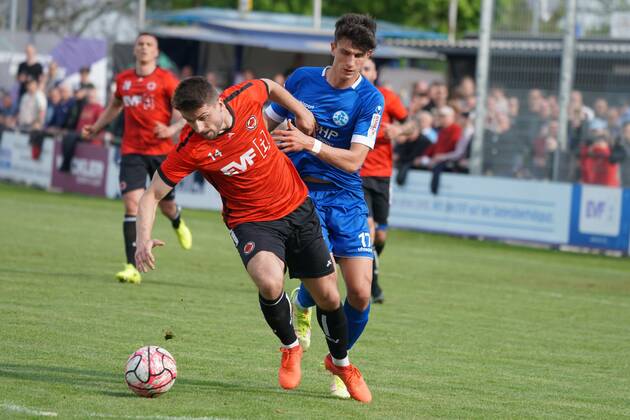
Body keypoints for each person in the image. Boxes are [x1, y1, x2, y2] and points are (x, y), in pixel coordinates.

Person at [135, 76, 372, 403]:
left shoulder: (243, 97)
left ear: (219, 103)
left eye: (203, 117)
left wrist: (301, 112)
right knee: (269, 281)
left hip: (297, 207)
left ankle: (341, 364)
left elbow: (268, 85)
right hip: (251, 222)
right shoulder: (191, 148)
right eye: (190, 121)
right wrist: (142, 239)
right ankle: (290, 347)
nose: (198, 127)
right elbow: (150, 196)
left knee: (330, 298)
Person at [265, 13, 384, 399]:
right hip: (299, 193)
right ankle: (335, 354)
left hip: (346, 198)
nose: (351, 63)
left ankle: (336, 356)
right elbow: (266, 125)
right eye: (346, 53)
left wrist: (309, 143)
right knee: (325, 283)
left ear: (368, 57)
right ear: (332, 48)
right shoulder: (301, 80)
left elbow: (353, 161)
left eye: (360, 56)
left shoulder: (370, 98)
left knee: (362, 293)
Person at [82, 33, 191, 284]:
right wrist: (96, 127)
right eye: (140, 44)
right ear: (134, 50)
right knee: (132, 204)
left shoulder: (166, 79)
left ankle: (176, 219)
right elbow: (114, 106)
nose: (144, 48)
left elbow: (185, 111)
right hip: (131, 150)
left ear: (156, 52)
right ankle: (131, 266)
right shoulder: (124, 80)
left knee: (165, 206)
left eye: (149, 45)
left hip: (161, 151)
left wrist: (171, 131)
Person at [359, 58, 408, 303]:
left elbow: (412, 125)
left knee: (380, 236)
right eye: (361, 67)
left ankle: (370, 274)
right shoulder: (351, 96)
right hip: (357, 174)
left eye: (368, 68)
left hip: (382, 175)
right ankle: (372, 284)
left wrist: (401, 131)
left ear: (376, 72)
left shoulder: (388, 97)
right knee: (367, 229)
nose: (363, 71)